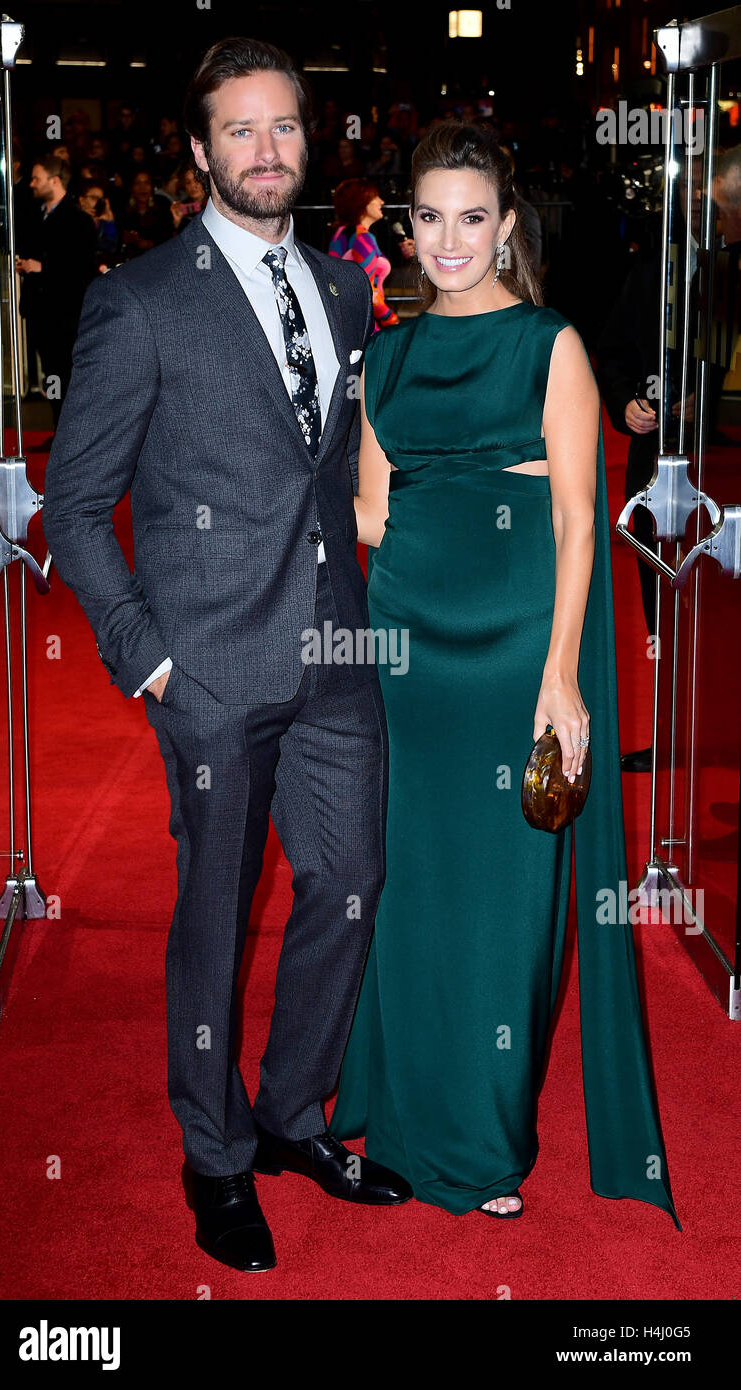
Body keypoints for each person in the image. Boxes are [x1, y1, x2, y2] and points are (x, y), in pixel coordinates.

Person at [41, 37, 412, 1277]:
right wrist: (150, 661)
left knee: (348, 882)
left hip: (335, 659)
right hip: (204, 672)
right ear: (200, 151)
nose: (267, 152)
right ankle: (213, 1155)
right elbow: (75, 507)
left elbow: (341, 469)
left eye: (286, 129)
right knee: (211, 916)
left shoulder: (345, 288)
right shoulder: (138, 299)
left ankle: (289, 1115)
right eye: (240, 132)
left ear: (311, 143)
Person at [329, 121, 682, 1231]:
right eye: (427, 216)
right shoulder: (384, 355)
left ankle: (483, 1143)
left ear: (505, 227)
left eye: (469, 217)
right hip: (407, 651)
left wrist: (563, 675)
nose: (447, 239)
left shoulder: (550, 344)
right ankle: (398, 1117)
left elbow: (579, 523)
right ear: (406, 227)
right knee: (411, 890)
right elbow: (374, 514)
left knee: (506, 907)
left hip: (517, 649)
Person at [15, 154, 96, 426]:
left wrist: (43, 267)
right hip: (40, 310)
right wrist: (25, 263)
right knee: (51, 373)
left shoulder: (78, 220)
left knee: (66, 372)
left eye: (37, 178)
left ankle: (71, 433)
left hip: (65, 312)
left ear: (55, 180)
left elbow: (82, 267)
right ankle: (58, 428)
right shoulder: (37, 216)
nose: (31, 184)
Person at [328, 179, 402, 330]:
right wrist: (391, 319)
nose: (381, 202)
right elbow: (368, 292)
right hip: (365, 324)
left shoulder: (341, 234)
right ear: (361, 202)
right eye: (375, 197)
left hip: (346, 319)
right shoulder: (362, 238)